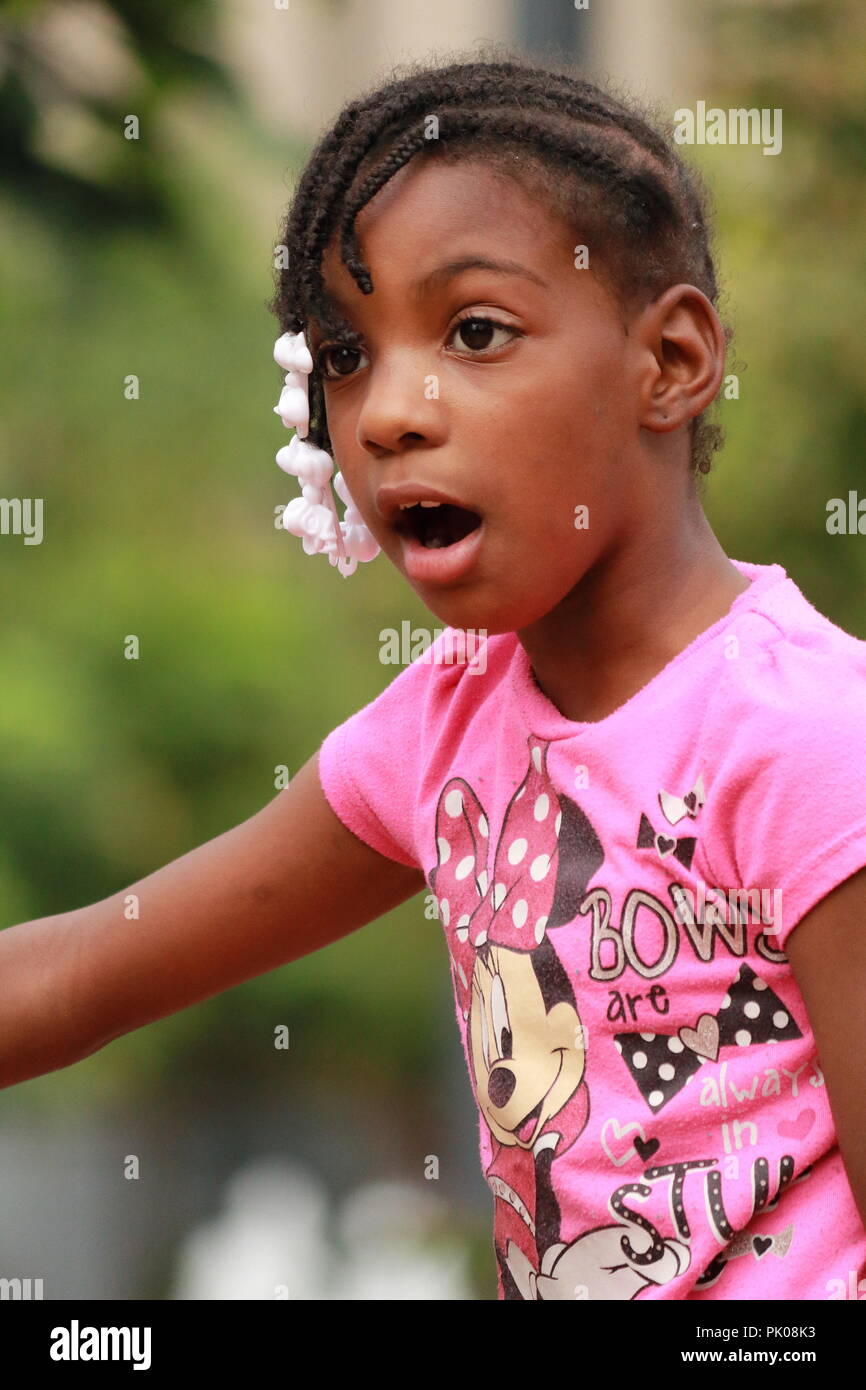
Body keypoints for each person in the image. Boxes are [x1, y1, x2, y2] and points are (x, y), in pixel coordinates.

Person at [3, 50, 865, 1301]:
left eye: (473, 332)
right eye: (345, 356)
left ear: (668, 362)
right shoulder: (444, 726)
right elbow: (86, 969)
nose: (388, 413)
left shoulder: (808, 737)